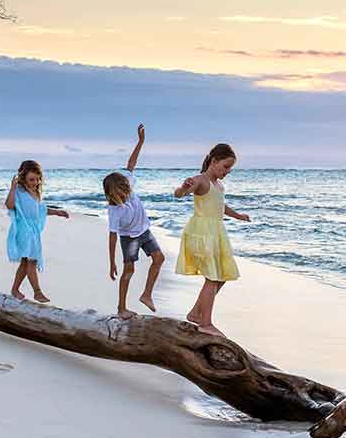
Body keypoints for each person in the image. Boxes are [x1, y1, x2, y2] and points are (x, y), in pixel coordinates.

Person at [173, 143, 249, 336]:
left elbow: (220, 205)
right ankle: (205, 322)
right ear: (214, 161)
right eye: (225, 167)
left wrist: (238, 215)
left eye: (229, 169)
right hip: (202, 233)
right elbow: (179, 195)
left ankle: (195, 313)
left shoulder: (218, 185)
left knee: (222, 276)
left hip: (216, 233)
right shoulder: (200, 180)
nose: (227, 172)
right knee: (212, 277)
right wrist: (183, 187)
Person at [103, 124, 164, 319]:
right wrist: (112, 262)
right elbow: (112, 237)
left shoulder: (127, 184)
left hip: (144, 232)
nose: (127, 191)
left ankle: (146, 295)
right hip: (129, 238)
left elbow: (131, 163)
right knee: (129, 270)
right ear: (113, 193)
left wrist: (141, 141)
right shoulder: (115, 210)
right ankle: (121, 308)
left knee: (159, 258)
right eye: (122, 190)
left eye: (126, 187)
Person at [6, 160, 69, 302]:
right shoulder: (19, 192)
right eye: (31, 179)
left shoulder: (35, 192)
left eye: (37, 179)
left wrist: (57, 212)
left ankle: (15, 289)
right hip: (24, 230)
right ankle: (37, 292)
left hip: (33, 232)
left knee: (25, 263)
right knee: (32, 261)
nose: (35, 182)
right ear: (23, 178)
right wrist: (12, 188)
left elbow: (41, 210)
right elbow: (9, 206)